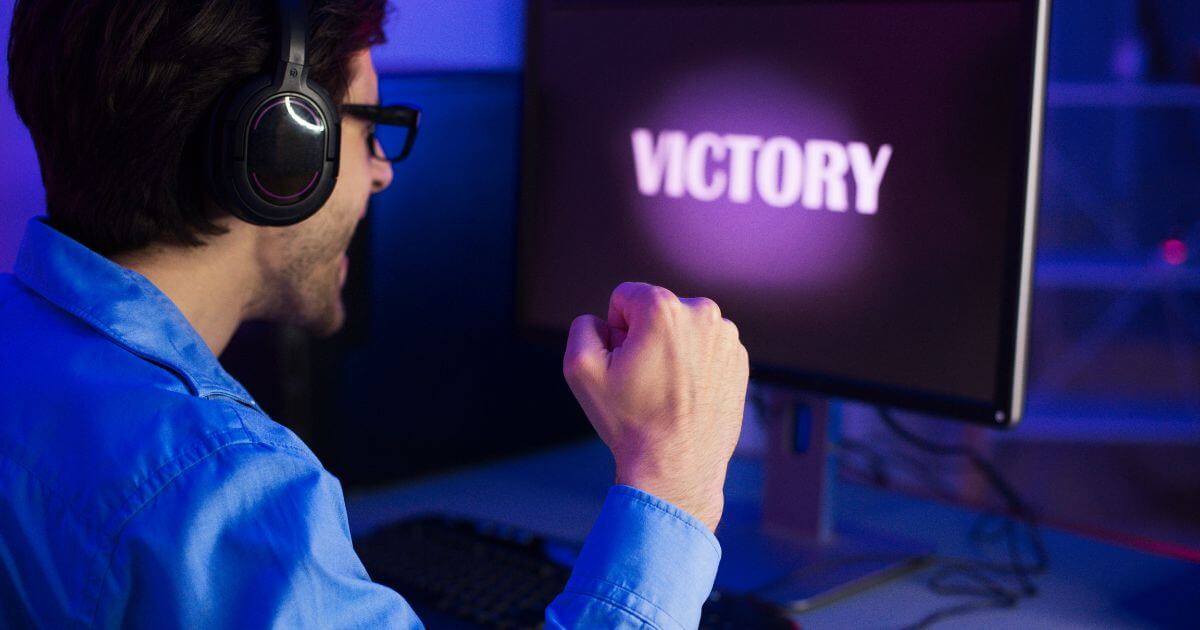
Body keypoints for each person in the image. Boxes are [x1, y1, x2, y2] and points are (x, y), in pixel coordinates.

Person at [0, 1, 749, 628]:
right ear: (280, 149)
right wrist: (671, 480)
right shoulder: (213, 494)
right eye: (370, 129)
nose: (383, 171)